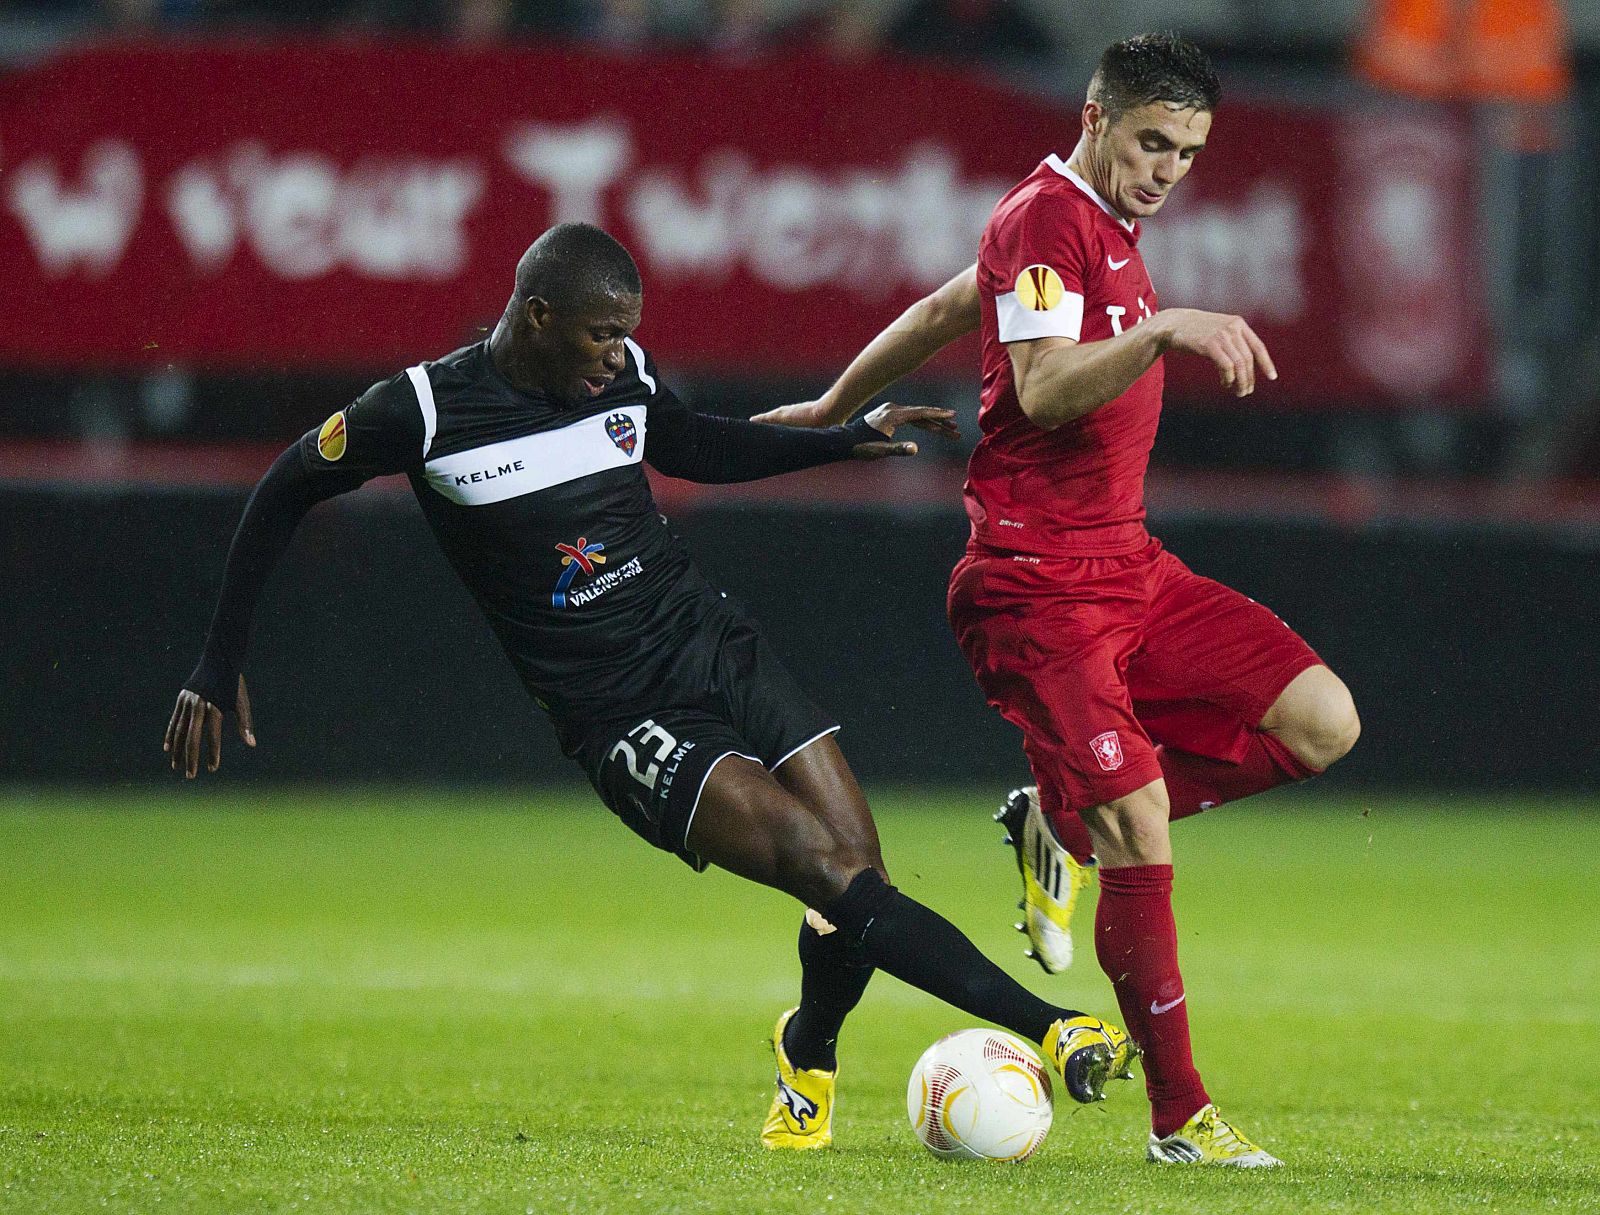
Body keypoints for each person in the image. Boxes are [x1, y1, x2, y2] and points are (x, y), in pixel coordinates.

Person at [162, 221, 1136, 1151]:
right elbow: (283, 489)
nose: (616, 353)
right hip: (618, 711)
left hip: (708, 640)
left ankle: (806, 1049)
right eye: (599, 332)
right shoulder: (419, 410)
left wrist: (839, 437)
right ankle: (1052, 1028)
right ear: (535, 315)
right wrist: (216, 660)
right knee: (817, 862)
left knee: (854, 870)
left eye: (626, 334)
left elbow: (690, 445)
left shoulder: (619, 371)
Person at [753, 34, 1361, 1166]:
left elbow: (947, 306)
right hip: (1038, 584)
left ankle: (1061, 824)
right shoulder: (1051, 216)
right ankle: (1180, 1123)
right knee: (1140, 826)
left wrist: (837, 397)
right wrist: (1168, 330)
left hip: (1132, 566)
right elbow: (1039, 385)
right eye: (1151, 141)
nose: (1169, 167)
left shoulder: (1091, 229)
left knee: (1322, 720)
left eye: (1186, 150)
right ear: (1095, 118)